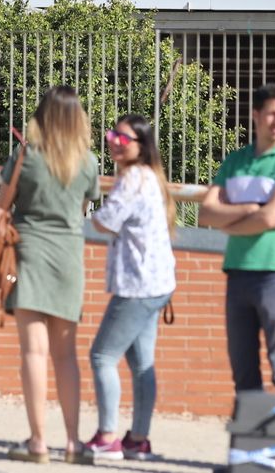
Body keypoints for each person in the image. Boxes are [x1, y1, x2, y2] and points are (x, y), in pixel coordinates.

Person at [2, 85, 100, 463]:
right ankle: (74, 443)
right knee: (66, 356)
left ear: (42, 116)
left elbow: (1, 204)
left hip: (30, 252)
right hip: (69, 259)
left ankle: (38, 441)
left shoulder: (26, 156)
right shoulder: (88, 162)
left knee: (34, 352)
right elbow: (83, 205)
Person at [200, 83, 275, 398]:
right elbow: (206, 214)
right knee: (243, 369)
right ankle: (252, 446)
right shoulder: (236, 161)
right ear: (256, 116)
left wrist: (232, 222)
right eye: (271, 114)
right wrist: (250, 208)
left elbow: (272, 217)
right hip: (237, 272)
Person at [85, 114, 177, 461]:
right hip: (156, 283)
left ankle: (108, 437)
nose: (114, 142)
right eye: (112, 135)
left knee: (102, 355)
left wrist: (94, 212)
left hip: (138, 285)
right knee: (141, 363)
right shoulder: (150, 176)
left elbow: (104, 221)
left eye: (123, 139)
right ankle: (138, 439)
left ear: (140, 146)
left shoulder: (133, 179)